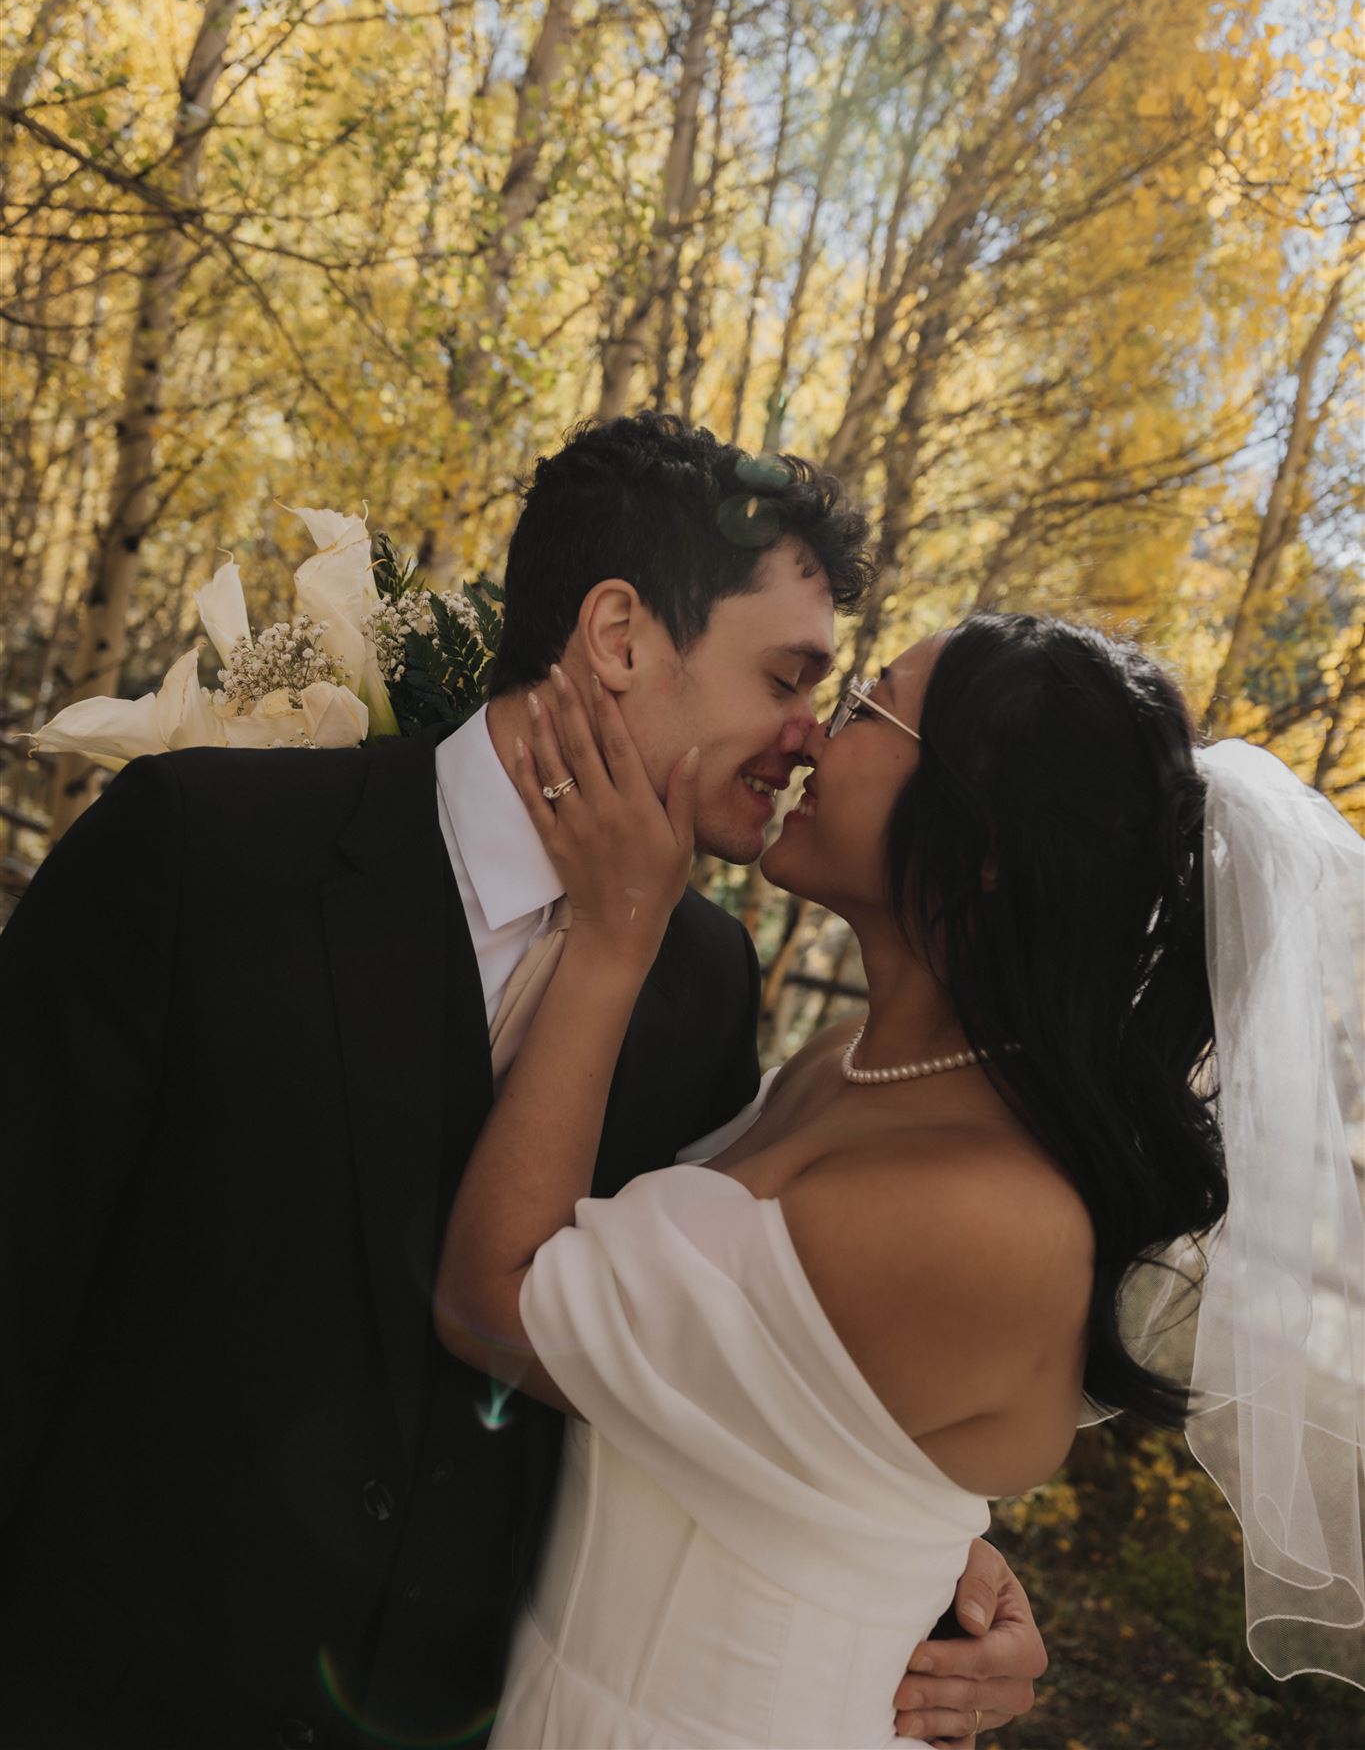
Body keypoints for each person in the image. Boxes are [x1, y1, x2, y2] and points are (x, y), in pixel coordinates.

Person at [0, 416, 1044, 1750]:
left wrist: (940, 1578)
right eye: (787, 677)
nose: (806, 738)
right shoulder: (200, 853)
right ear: (616, 638)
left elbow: (684, 1360)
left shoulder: (709, 983)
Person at [434, 611, 1364, 1745]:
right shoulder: (848, 1061)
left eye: (868, 706)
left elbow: (495, 1302)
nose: (815, 735)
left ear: (982, 847)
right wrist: (948, 1558)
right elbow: (804, 1430)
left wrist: (615, 928)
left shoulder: (991, 1212)